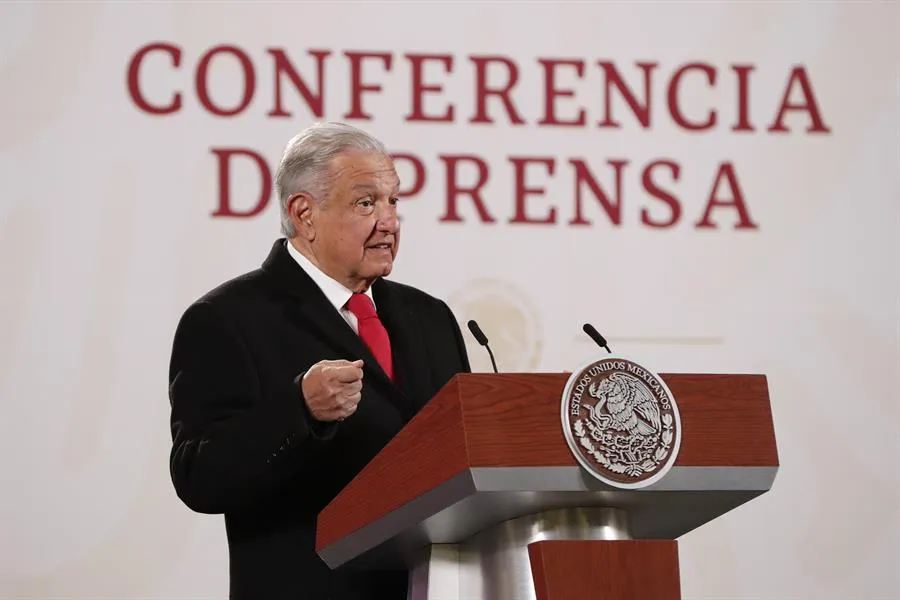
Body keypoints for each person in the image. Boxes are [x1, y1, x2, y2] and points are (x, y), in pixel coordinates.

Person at [167, 122, 471, 600]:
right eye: (366, 202)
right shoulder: (227, 319)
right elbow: (197, 478)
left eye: (393, 201)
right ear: (304, 214)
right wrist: (298, 410)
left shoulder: (430, 317)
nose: (389, 221)